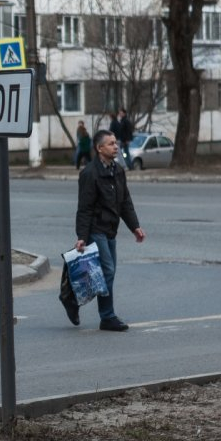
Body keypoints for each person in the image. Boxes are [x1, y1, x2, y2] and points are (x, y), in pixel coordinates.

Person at [69, 129, 146, 330]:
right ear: (99, 148)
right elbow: (84, 208)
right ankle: (107, 316)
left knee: (101, 274)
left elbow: (125, 201)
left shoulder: (117, 170)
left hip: (111, 229)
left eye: (115, 143)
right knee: (107, 271)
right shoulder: (90, 173)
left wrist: (134, 227)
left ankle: (72, 298)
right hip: (96, 229)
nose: (116, 146)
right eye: (111, 143)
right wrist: (82, 237)